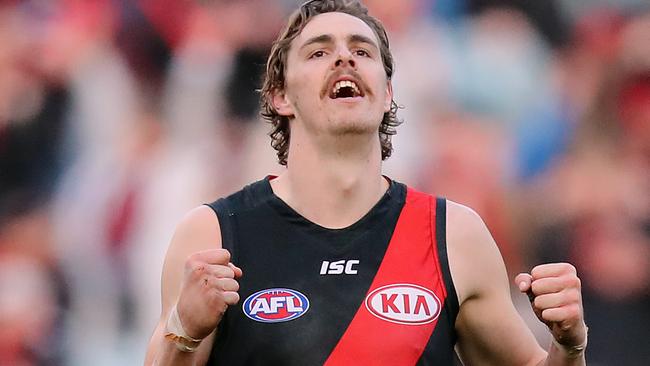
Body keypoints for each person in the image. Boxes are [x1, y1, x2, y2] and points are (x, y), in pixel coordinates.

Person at [144, 1, 588, 365]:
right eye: (318, 52)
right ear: (280, 95)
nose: (344, 58)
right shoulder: (215, 235)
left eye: (363, 51)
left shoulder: (453, 234)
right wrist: (184, 330)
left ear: (388, 91)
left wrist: (569, 347)